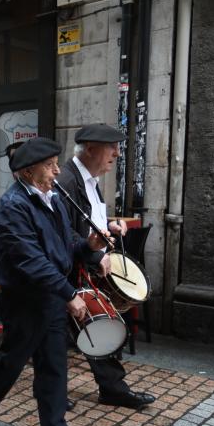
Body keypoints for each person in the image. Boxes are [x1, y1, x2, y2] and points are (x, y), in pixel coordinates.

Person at [0, 137, 108, 426]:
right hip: (26, 300)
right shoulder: (13, 206)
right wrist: (69, 292)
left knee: (54, 363)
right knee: (12, 362)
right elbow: (30, 260)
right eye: (50, 165)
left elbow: (65, 243)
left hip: (52, 296)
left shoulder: (53, 198)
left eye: (56, 164)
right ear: (29, 172)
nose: (57, 171)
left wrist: (89, 247)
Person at [56, 123, 156, 410]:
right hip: (65, 271)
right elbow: (63, 233)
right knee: (52, 336)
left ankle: (112, 388)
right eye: (111, 147)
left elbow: (87, 222)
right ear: (90, 149)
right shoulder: (66, 180)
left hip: (80, 270)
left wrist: (109, 224)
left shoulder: (88, 179)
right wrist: (96, 255)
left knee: (99, 325)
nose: (117, 153)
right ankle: (53, 393)